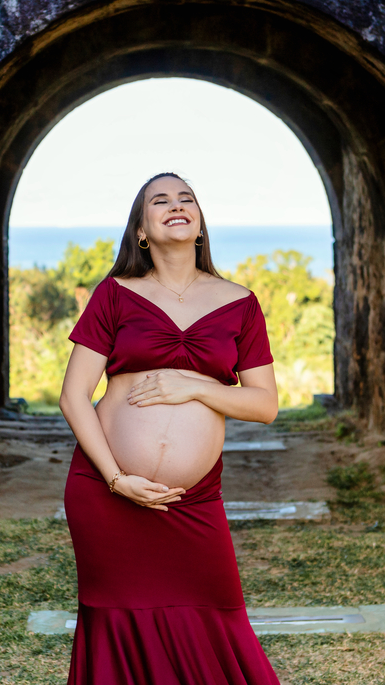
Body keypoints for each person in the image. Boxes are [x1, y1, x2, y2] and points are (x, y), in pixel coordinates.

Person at [59, 172, 281, 684]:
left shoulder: (240, 302)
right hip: (108, 492)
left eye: (187, 199)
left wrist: (195, 385)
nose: (176, 205)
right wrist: (117, 479)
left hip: (193, 500)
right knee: (115, 623)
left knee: (217, 615)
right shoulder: (114, 294)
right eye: (160, 200)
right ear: (141, 230)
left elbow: (265, 404)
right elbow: (74, 397)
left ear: (199, 223)